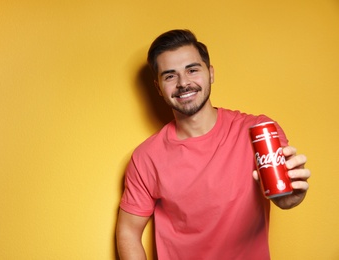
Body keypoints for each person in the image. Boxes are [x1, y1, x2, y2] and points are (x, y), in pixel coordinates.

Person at [116, 29, 310, 260]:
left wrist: (290, 196)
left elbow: (284, 198)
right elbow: (128, 230)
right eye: (170, 76)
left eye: (192, 70)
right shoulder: (146, 157)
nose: (183, 83)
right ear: (158, 87)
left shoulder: (257, 130)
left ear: (210, 73)